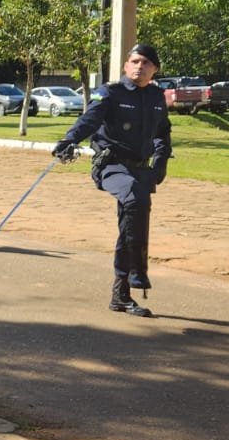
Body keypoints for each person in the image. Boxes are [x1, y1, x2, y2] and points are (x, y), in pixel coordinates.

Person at [53, 44, 172, 317]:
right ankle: (137, 271)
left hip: (141, 169)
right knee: (136, 199)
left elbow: (162, 132)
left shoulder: (156, 96)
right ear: (125, 66)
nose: (139, 66)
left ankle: (121, 295)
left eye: (145, 63)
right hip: (111, 165)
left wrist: (161, 161)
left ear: (154, 69)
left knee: (131, 221)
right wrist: (70, 139)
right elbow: (90, 120)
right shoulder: (111, 92)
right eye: (135, 61)